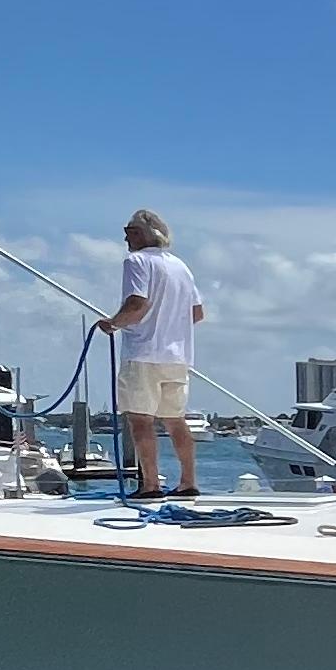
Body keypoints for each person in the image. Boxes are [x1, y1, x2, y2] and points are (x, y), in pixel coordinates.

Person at [98, 208, 206, 498]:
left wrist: (113, 324)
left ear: (146, 235)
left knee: (140, 419)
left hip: (143, 352)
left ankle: (150, 485)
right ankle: (188, 482)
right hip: (177, 356)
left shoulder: (136, 261)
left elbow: (137, 304)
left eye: (130, 231)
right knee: (174, 420)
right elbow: (196, 313)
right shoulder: (181, 267)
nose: (125, 238)